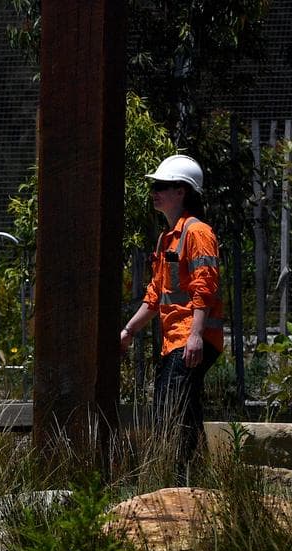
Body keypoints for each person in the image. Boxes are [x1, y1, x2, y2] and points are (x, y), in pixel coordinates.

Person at [119, 154, 224, 476]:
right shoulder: (167, 238)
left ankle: (179, 475)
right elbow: (156, 295)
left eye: (162, 186)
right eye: (155, 186)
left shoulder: (198, 232)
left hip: (191, 339)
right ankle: (195, 477)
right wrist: (129, 331)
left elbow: (205, 286)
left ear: (182, 191)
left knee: (171, 408)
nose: (155, 192)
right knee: (183, 409)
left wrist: (195, 335)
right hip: (176, 341)